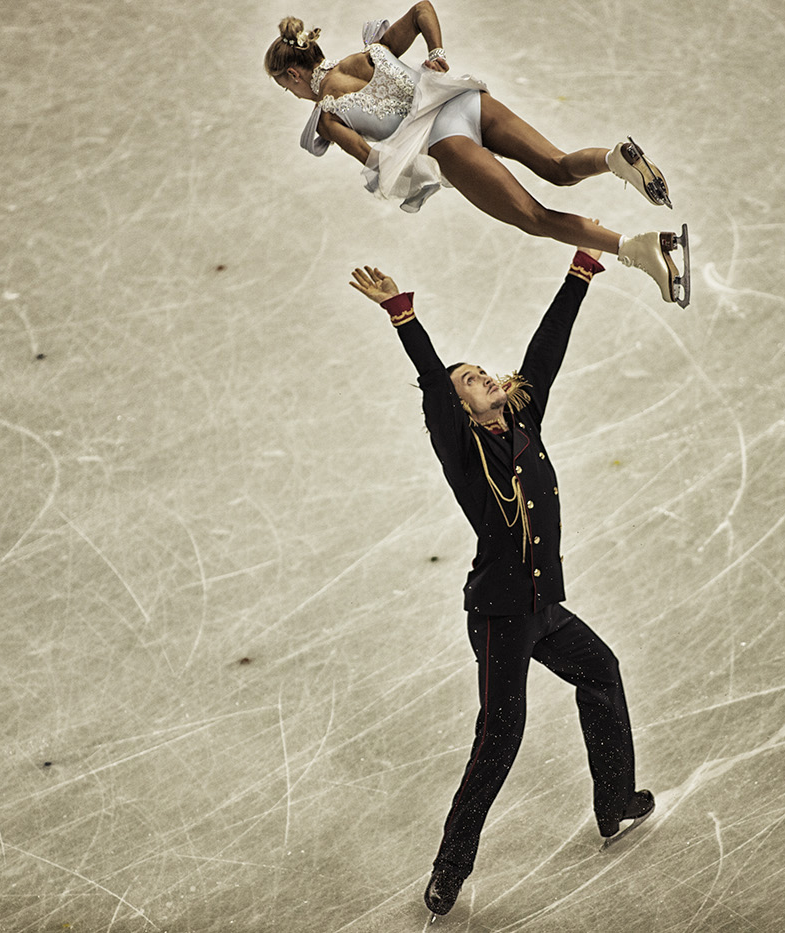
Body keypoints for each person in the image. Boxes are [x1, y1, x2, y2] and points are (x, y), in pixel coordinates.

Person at [349, 250, 656, 919]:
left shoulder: (521, 425)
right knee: (500, 737)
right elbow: (433, 385)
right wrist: (403, 317)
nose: (482, 375)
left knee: (600, 672)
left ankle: (615, 803)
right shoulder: (464, 449)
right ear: (460, 406)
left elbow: (545, 353)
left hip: (542, 606)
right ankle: (448, 870)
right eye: (470, 380)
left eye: (481, 372)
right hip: (499, 615)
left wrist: (579, 274)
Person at [269, 4, 690, 306]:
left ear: (294, 73)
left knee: (535, 218)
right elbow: (421, 10)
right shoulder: (371, 51)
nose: (293, 93)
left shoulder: (326, 115)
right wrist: (435, 53)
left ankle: (638, 247)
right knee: (559, 167)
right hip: (465, 102)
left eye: (286, 87)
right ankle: (615, 159)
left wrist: (414, 174)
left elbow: (373, 161)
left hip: (445, 143)